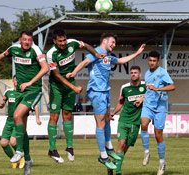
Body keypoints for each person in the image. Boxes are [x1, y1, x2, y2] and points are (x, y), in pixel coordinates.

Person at [0, 30, 49, 175]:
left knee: (17, 115)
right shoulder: (13, 49)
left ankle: (19, 151)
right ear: (20, 40)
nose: (27, 42)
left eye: (29, 40)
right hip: (21, 91)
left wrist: (30, 82)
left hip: (33, 90)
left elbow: (46, 68)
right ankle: (27, 160)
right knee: (22, 128)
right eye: (25, 40)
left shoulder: (35, 49)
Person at [66, 33, 145, 172]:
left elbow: (121, 61)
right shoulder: (97, 52)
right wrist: (73, 73)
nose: (114, 45)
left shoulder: (108, 57)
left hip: (106, 91)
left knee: (107, 120)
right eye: (113, 42)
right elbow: (85, 62)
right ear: (105, 41)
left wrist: (137, 53)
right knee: (100, 123)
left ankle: (109, 148)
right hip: (96, 91)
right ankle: (103, 155)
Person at [46, 28, 105, 163]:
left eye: (64, 40)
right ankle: (52, 149)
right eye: (60, 41)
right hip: (57, 86)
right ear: (54, 41)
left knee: (67, 115)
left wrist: (95, 53)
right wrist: (73, 87)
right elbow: (57, 75)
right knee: (54, 116)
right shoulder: (51, 54)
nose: (63, 43)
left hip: (70, 83)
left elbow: (86, 45)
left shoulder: (72, 43)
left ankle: (70, 147)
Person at [140, 51, 175, 175]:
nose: (151, 63)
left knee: (158, 135)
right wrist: (141, 98)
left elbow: (172, 86)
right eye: (150, 60)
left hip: (160, 107)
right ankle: (146, 152)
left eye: (154, 61)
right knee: (143, 124)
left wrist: (158, 88)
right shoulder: (147, 73)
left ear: (158, 61)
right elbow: (148, 90)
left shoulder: (162, 72)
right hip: (148, 105)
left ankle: (162, 162)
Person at [110, 66, 146, 175]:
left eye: (135, 73)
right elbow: (121, 103)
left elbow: (153, 96)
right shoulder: (124, 88)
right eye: (131, 73)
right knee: (121, 143)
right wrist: (112, 113)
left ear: (140, 74)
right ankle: (118, 172)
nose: (133, 74)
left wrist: (142, 98)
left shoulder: (146, 86)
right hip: (124, 119)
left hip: (135, 122)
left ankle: (113, 164)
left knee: (125, 148)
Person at [0, 75, 25, 169]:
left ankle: (23, 157)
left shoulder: (23, 93)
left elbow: (33, 106)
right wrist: (1, 104)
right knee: (3, 143)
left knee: (13, 142)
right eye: (15, 80)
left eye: (19, 80)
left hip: (18, 120)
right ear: (13, 81)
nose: (17, 82)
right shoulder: (8, 92)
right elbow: (2, 104)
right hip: (9, 120)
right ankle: (14, 159)